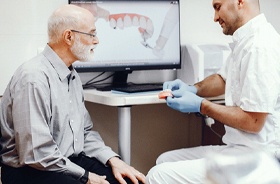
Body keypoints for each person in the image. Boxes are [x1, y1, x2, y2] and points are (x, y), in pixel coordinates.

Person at [0, 4, 145, 184]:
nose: (96, 40)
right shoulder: (33, 78)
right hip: (31, 171)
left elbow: (84, 133)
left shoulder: (71, 75)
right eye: (92, 34)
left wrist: (113, 160)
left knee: (129, 181)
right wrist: (86, 177)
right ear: (69, 36)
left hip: (66, 161)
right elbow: (36, 154)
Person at [146, 0, 280, 183]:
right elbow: (223, 79)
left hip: (258, 160)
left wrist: (202, 106)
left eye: (218, 7)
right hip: (238, 149)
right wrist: (193, 88)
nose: (215, 17)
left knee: (157, 174)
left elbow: (254, 120)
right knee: (164, 160)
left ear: (240, 2)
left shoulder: (259, 46)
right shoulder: (245, 40)